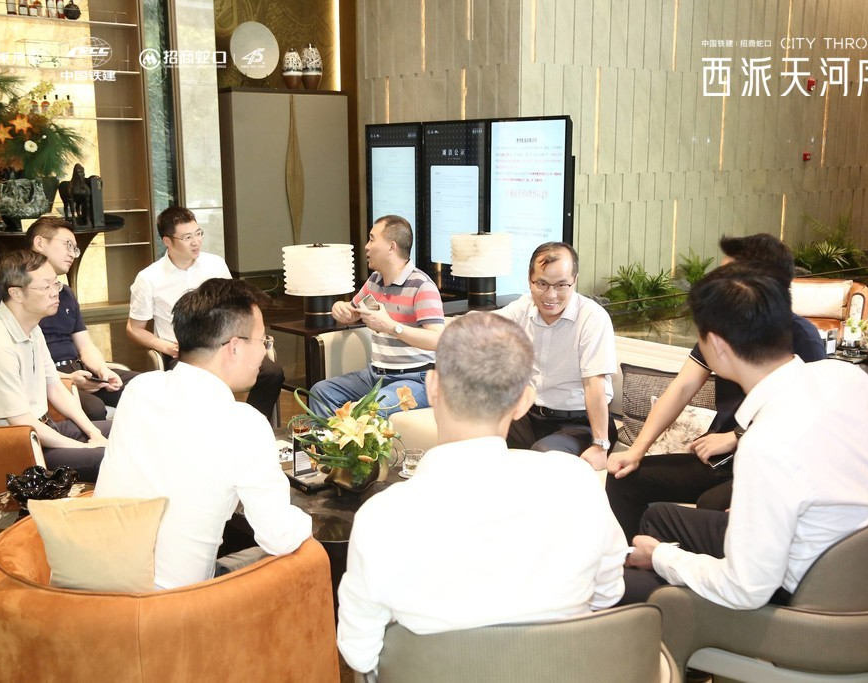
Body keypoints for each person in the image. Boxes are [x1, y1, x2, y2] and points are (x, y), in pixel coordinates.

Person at [336, 313, 627, 674]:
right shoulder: (578, 484)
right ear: (524, 401)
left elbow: (360, 654)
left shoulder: (382, 518)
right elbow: (608, 594)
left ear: (432, 387)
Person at [624, 262, 868, 606]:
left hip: (811, 594)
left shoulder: (764, 444)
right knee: (660, 517)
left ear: (717, 346)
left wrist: (661, 557)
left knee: (626, 584)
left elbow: (745, 589)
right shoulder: (847, 377)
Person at [606, 233, 827, 540]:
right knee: (624, 479)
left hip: (764, 465)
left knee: (711, 506)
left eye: (728, 275)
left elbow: (809, 423)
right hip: (717, 461)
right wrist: (636, 450)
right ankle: (635, 558)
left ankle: (673, 564)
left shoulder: (803, 339)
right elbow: (682, 387)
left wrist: (736, 437)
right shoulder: (721, 327)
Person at [96, 278, 312, 590]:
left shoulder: (140, 389)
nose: (264, 353)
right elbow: (279, 537)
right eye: (263, 341)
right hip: (177, 604)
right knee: (305, 552)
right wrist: (311, 522)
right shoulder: (243, 424)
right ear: (234, 347)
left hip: (94, 584)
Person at [0, 250, 110, 481]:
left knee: (132, 429)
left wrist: (93, 432)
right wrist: (85, 448)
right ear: (16, 293)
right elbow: (21, 423)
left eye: (56, 284)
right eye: (45, 287)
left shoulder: (32, 328)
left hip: (43, 429)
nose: (55, 293)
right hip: (17, 448)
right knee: (116, 457)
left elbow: (55, 388)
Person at [126, 206, 284, 420]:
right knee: (205, 383)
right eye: (187, 237)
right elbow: (134, 329)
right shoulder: (149, 278)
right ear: (167, 241)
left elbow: (237, 307)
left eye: (198, 233)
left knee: (272, 373)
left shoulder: (215, 264)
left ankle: (250, 425)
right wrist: (164, 346)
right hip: (185, 352)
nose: (196, 242)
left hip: (228, 345)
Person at [0, 217, 138, 421]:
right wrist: (67, 379)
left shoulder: (65, 293)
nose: (72, 253)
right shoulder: (9, 293)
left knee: (143, 386)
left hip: (80, 370)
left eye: (75, 248)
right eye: (67, 245)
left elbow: (85, 346)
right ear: (40, 243)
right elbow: (19, 363)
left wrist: (102, 370)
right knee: (94, 408)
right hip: (46, 378)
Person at [494, 241, 618, 469]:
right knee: (479, 440)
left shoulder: (592, 317)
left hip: (581, 423)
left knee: (542, 457)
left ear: (574, 280)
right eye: (542, 283)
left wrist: (601, 445)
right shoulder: (523, 307)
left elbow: (594, 386)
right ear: (530, 280)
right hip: (531, 416)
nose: (551, 295)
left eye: (561, 285)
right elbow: (482, 326)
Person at [308, 215, 444, 416]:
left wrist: (391, 327)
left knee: (371, 409)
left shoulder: (422, 286)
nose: (366, 247)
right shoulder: (375, 281)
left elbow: (437, 340)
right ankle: (330, 438)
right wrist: (340, 307)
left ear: (391, 247)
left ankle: (352, 437)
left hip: (416, 379)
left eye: (372, 239)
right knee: (320, 392)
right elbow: (352, 313)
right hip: (376, 375)